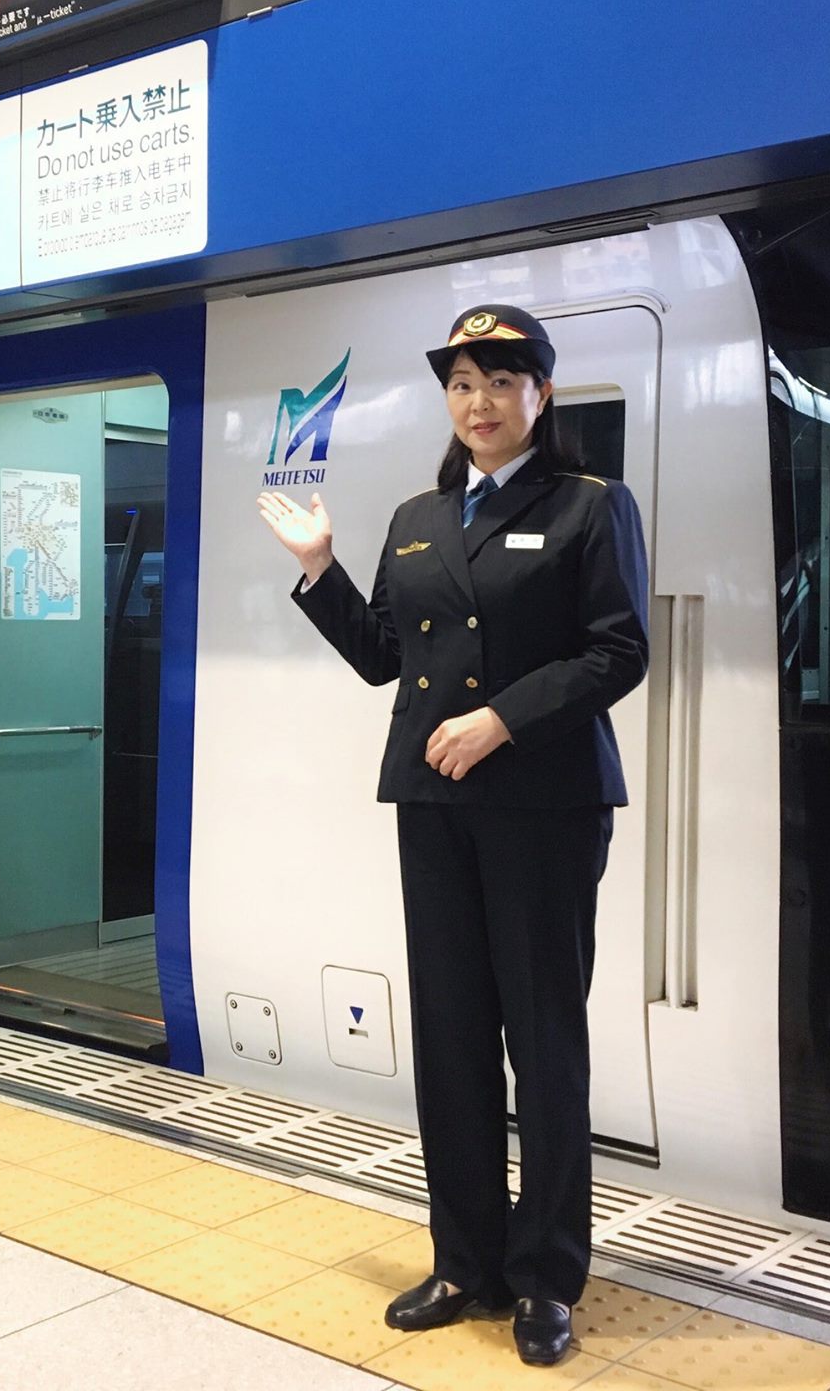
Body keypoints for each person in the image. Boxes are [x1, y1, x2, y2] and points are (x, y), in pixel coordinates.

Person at [257, 304, 650, 1367]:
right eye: (460, 385)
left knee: (542, 1041)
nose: (477, 403)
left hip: (542, 806)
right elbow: (385, 656)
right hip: (434, 807)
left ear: (542, 395)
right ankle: (463, 1263)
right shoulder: (416, 517)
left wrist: (501, 719)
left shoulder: (586, 508)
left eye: (499, 382)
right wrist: (317, 569)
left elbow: (618, 653)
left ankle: (544, 1279)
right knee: (450, 1041)